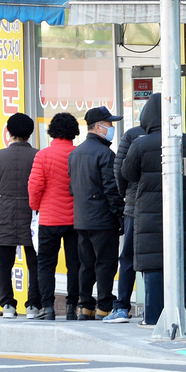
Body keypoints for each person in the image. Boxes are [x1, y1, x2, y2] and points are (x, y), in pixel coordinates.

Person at [122, 94, 186, 328]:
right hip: (178, 210)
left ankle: (153, 316)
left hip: (147, 211)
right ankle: (182, 314)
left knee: (152, 264)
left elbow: (128, 173)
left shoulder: (140, 144)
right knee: (180, 262)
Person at [0, 113, 44, 319]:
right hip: (33, 216)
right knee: (34, 262)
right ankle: (34, 305)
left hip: (3, 214)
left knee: (4, 262)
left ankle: (7, 305)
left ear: (8, 132)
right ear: (30, 133)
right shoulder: (39, 155)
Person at [69, 106, 124, 322]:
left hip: (82, 219)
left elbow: (72, 188)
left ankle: (85, 306)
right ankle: (104, 306)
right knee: (105, 263)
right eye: (109, 124)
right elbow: (111, 188)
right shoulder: (105, 154)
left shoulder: (75, 153)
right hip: (102, 220)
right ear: (98, 127)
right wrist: (119, 213)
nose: (111, 128)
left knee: (86, 264)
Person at [29, 112, 81, 320]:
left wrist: (36, 206)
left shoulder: (43, 156)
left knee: (46, 263)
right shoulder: (78, 154)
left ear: (51, 131)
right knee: (75, 264)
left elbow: (35, 186)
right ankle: (71, 307)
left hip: (49, 218)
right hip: (76, 219)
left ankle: (48, 307)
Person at [108, 107, 149, 324]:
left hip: (134, 207)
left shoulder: (133, 135)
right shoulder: (174, 134)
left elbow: (119, 170)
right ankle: (159, 306)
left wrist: (126, 193)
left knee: (128, 257)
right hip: (166, 209)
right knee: (161, 257)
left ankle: (122, 306)